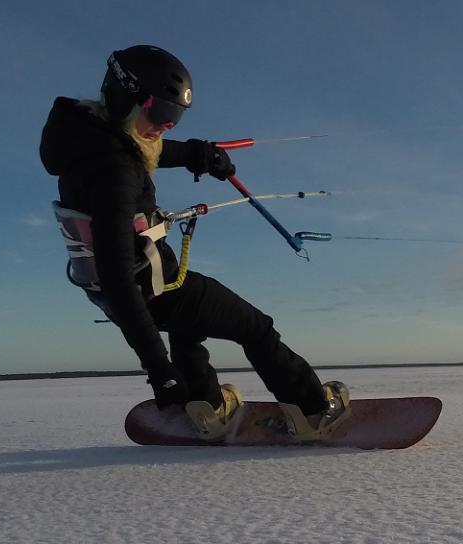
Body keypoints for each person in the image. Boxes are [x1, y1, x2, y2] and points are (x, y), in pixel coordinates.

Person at [39, 44, 347, 441]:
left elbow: (143, 148)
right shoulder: (116, 171)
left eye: (176, 116)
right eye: (162, 113)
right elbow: (117, 274)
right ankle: (314, 412)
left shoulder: (87, 137)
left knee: (190, 322)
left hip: (130, 289)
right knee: (256, 328)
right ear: (127, 97)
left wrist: (198, 155)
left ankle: (208, 409)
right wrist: (159, 369)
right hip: (147, 288)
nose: (167, 126)